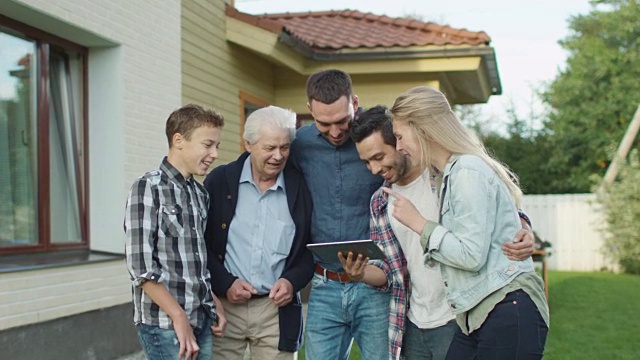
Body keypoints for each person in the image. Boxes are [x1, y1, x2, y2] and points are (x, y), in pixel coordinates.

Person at [345, 105, 537, 360]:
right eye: (366, 161)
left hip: (458, 316)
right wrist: (360, 273)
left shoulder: (447, 176)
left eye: (379, 157)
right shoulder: (380, 202)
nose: (373, 168)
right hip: (413, 323)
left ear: (399, 144)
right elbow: (390, 272)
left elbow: (495, 207)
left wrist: (523, 225)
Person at [385, 86, 549, 359]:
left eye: (401, 137)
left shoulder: (467, 171)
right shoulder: (445, 175)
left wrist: (420, 224)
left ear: (423, 129)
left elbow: (471, 255)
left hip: (507, 305)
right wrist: (524, 223)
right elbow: (501, 213)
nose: (399, 147)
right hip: (477, 312)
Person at [288, 69, 389, 360]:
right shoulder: (299, 145)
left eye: (342, 121)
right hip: (324, 284)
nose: (335, 132)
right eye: (324, 123)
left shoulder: (380, 137)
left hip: (375, 283)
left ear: (354, 103)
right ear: (309, 110)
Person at [203, 106, 314, 359]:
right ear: (248, 144)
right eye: (269, 148)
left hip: (275, 311)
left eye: (284, 147)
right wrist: (225, 282)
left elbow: (309, 250)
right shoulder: (218, 181)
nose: (278, 156)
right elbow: (200, 245)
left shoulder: (301, 187)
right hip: (224, 306)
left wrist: (291, 281)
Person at [124, 104, 227, 360]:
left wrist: (214, 301)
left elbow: (196, 262)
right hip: (165, 325)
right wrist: (178, 317)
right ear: (178, 140)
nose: (214, 154)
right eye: (207, 144)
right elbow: (141, 268)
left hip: (200, 319)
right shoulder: (148, 188)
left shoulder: (199, 193)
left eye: (217, 146)